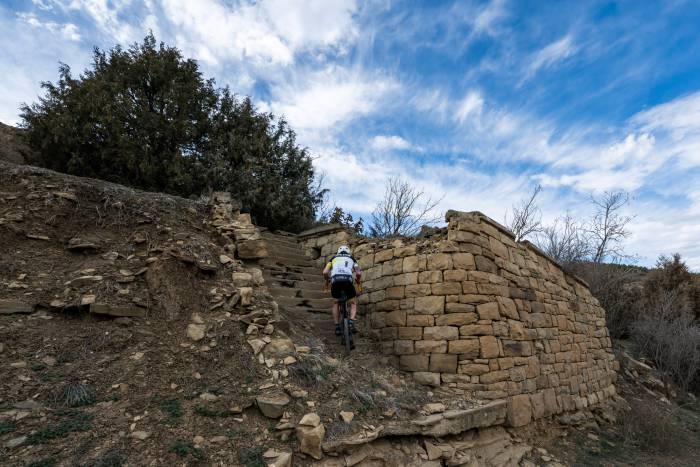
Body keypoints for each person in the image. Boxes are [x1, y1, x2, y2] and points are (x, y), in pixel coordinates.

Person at [323, 245, 362, 336]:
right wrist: (358, 280)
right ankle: (351, 322)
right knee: (353, 303)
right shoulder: (352, 258)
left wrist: (327, 280)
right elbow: (358, 273)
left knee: (336, 302)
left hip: (335, 281)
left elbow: (325, 272)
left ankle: (337, 326)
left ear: (338, 251)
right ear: (348, 252)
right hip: (347, 281)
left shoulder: (333, 259)